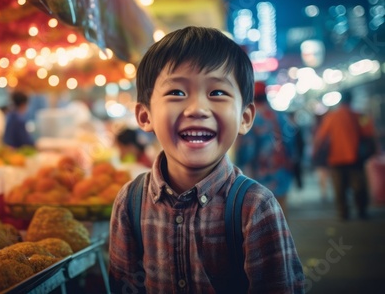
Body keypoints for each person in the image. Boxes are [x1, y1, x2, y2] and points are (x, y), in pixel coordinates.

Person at [109, 27, 305, 293]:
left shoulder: (256, 206)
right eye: (176, 93)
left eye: (217, 93)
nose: (198, 109)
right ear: (145, 116)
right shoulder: (129, 201)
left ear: (245, 118)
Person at [234, 82, 297, 216]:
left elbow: (246, 151)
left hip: (260, 175)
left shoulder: (250, 119)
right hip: (282, 172)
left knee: (262, 216)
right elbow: (291, 144)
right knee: (281, 212)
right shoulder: (281, 117)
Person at [313, 91, 374, 220]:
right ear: (351, 100)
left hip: (335, 159)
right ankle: (362, 211)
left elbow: (320, 137)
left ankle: (343, 213)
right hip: (355, 158)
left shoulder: (331, 116)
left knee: (339, 189)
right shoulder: (359, 115)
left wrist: (316, 152)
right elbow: (369, 133)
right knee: (359, 187)